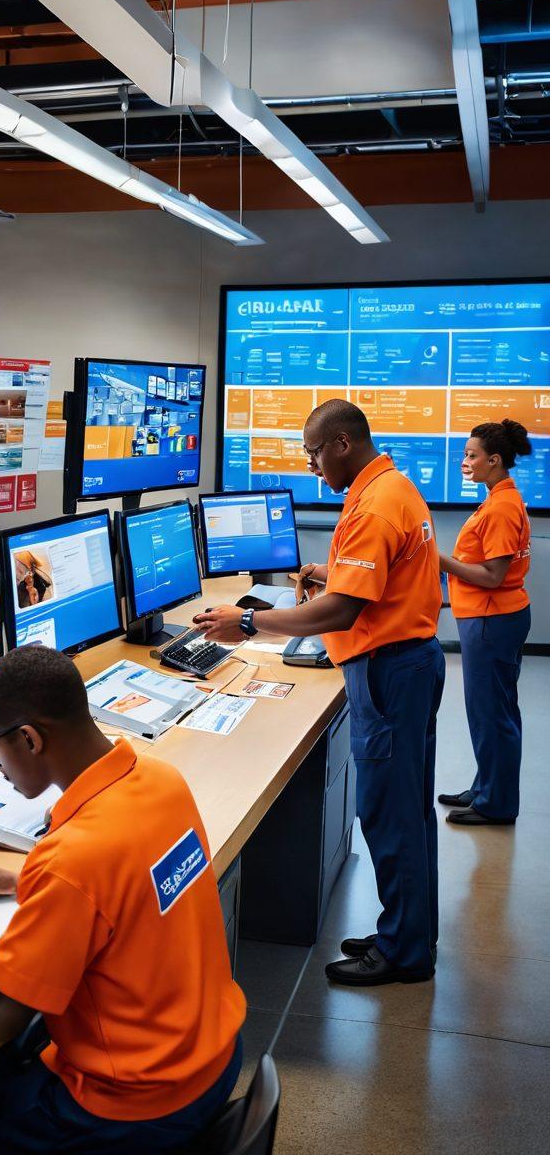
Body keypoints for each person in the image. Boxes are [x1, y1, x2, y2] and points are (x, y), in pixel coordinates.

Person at [0, 645, 245, 1154]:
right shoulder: (159, 779)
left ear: (30, 739)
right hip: (213, 1055)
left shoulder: (70, 862)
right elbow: (129, 883)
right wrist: (27, 885)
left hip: (132, 1108)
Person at [195, 399, 445, 987]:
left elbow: (347, 608)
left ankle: (405, 952)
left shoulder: (376, 505)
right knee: (406, 810)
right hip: (405, 663)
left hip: (390, 670)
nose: (311, 468)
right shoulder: (387, 486)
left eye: (312, 454)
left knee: (390, 814)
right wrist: (329, 572)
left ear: (340, 444)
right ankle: (406, 930)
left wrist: (249, 624)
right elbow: (376, 580)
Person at [437, 419, 532, 826]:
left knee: (492, 712)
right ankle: (485, 787)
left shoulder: (502, 507)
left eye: (471, 455)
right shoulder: (498, 499)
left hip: (492, 620)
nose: (465, 461)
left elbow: (492, 575)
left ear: (494, 460)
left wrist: (439, 560)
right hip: (490, 619)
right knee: (489, 710)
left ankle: (496, 804)